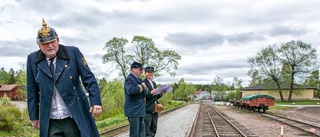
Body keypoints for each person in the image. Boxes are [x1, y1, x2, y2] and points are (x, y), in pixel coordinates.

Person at [26, 18, 102, 137]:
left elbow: (89, 78)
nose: (50, 46)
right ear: (38, 44)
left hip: (74, 114)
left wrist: (95, 101)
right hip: (50, 119)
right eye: (45, 43)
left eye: (53, 41)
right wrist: (34, 116)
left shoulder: (72, 52)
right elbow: (32, 90)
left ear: (58, 39)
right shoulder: (32, 59)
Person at [124, 61, 147, 137]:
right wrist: (141, 87)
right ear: (133, 69)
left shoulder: (138, 79)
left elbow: (142, 95)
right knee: (135, 134)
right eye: (140, 70)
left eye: (142, 70)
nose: (142, 72)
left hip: (140, 110)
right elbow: (130, 90)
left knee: (142, 133)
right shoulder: (129, 79)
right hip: (134, 111)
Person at [143, 66, 165, 137]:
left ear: (153, 73)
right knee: (147, 130)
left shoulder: (154, 83)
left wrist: (161, 93)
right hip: (147, 109)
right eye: (148, 72)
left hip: (155, 109)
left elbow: (155, 97)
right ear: (145, 73)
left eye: (151, 72)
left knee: (153, 129)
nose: (150, 73)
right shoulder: (143, 83)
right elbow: (142, 95)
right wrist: (151, 92)